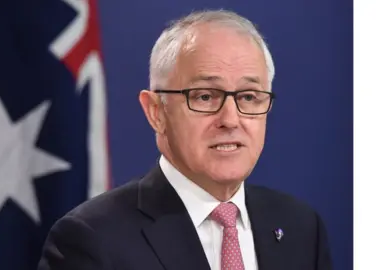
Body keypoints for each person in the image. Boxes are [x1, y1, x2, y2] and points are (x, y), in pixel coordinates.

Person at [38, 9, 332, 270]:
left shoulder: (301, 227)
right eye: (205, 96)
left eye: (248, 97)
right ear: (156, 112)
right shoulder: (92, 239)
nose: (230, 119)